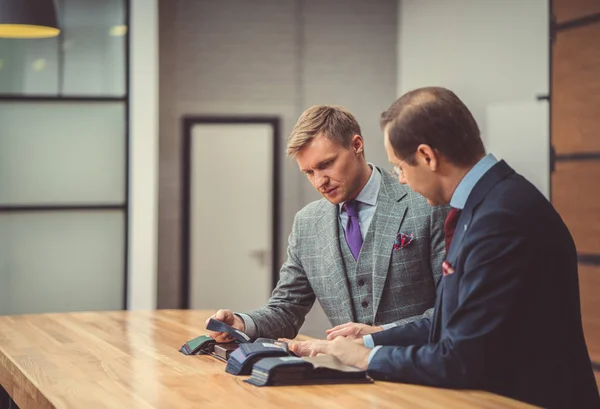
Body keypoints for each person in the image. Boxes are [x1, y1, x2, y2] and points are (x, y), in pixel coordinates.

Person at [285, 87, 600, 409]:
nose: (402, 180)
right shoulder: (486, 205)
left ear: (427, 157)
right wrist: (368, 338)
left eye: (400, 167)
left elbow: (463, 359)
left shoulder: (501, 218)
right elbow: (452, 322)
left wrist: (368, 357)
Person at [207, 105, 448, 341]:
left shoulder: (427, 203)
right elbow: (286, 309)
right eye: (309, 172)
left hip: (421, 369)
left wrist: (382, 334)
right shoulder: (308, 223)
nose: (320, 181)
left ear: (356, 145)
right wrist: (242, 323)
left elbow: (450, 309)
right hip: (347, 376)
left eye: (325, 165)